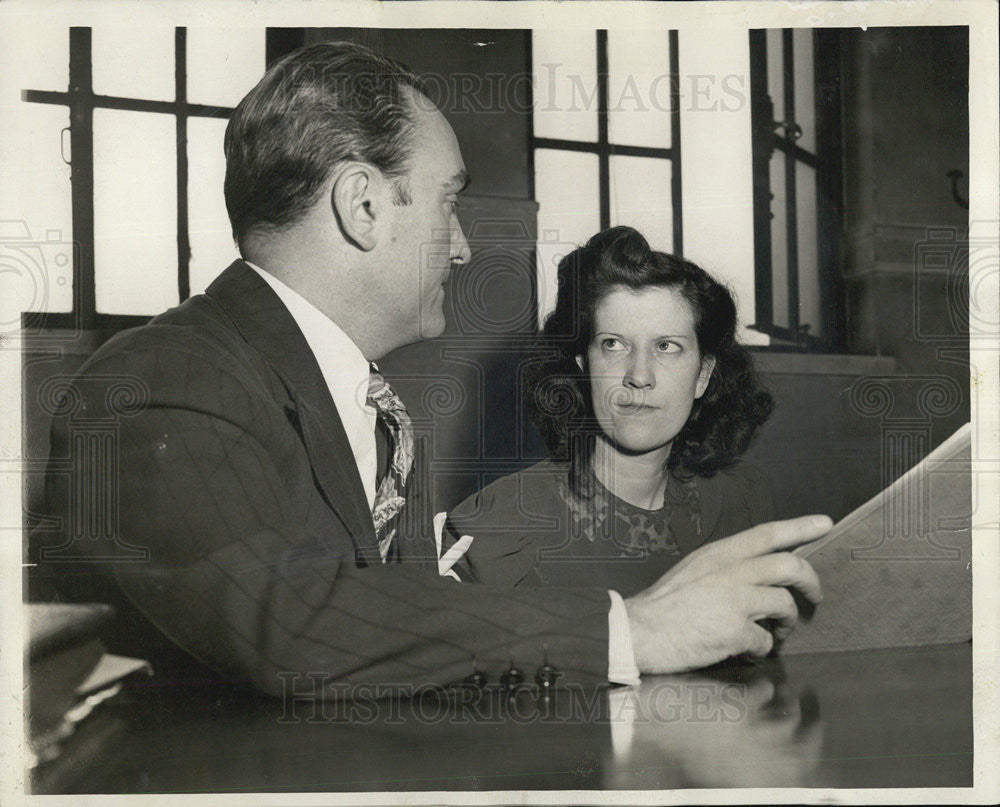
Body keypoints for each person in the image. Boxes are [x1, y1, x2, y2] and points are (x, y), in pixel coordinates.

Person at [31, 41, 829, 696]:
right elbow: (292, 621)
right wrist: (635, 628)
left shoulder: (366, 402)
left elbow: (405, 640)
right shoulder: (161, 381)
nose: (463, 246)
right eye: (448, 202)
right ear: (364, 206)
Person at [441, 226, 776, 596]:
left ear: (703, 375)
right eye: (614, 344)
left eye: (666, 346)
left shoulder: (738, 504)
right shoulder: (503, 521)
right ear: (584, 364)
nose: (639, 376)